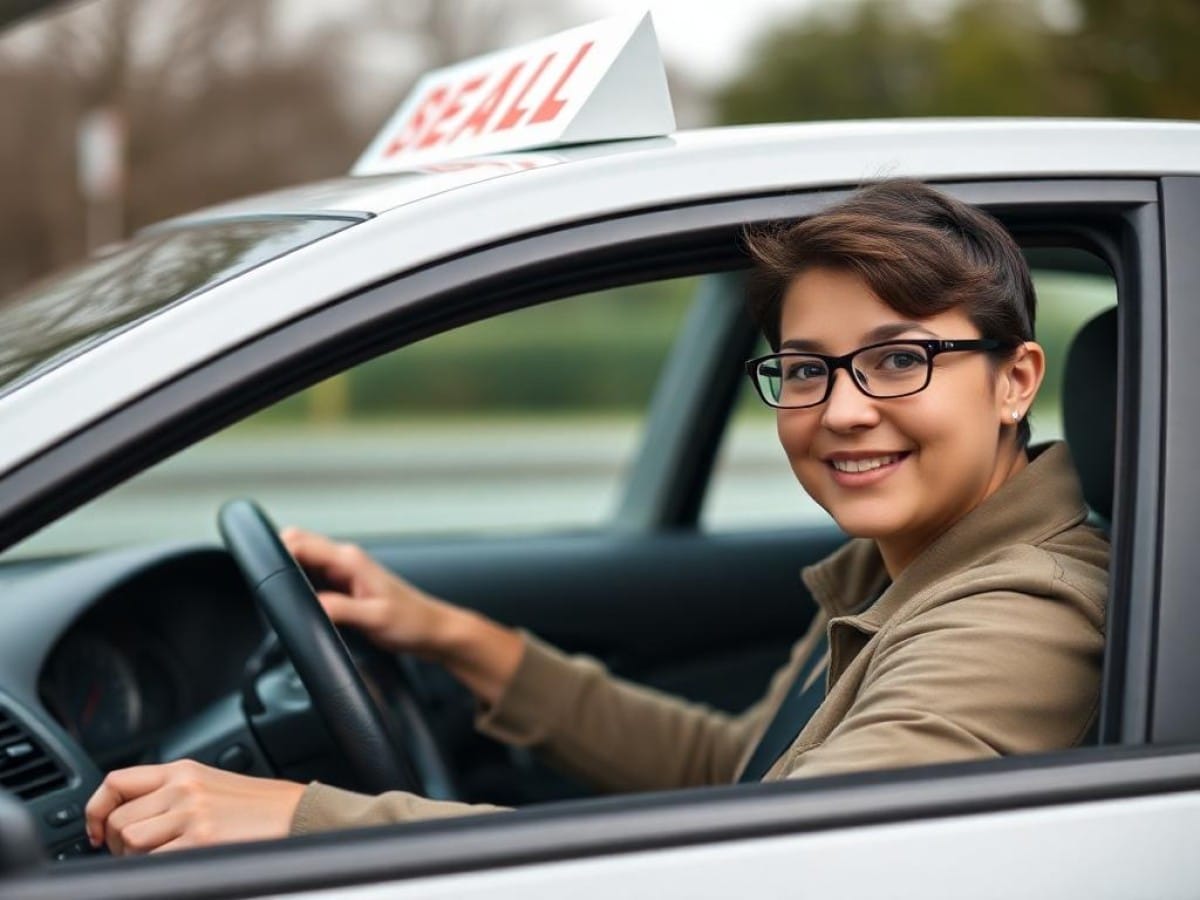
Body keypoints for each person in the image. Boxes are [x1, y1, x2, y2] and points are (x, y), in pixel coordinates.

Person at [84, 179, 1108, 855]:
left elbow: (773, 868)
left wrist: (302, 822)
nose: (841, 410)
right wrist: (451, 637)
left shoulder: (1021, 611)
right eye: (805, 370)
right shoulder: (905, 563)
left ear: (1015, 380)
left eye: (897, 359)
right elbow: (735, 775)